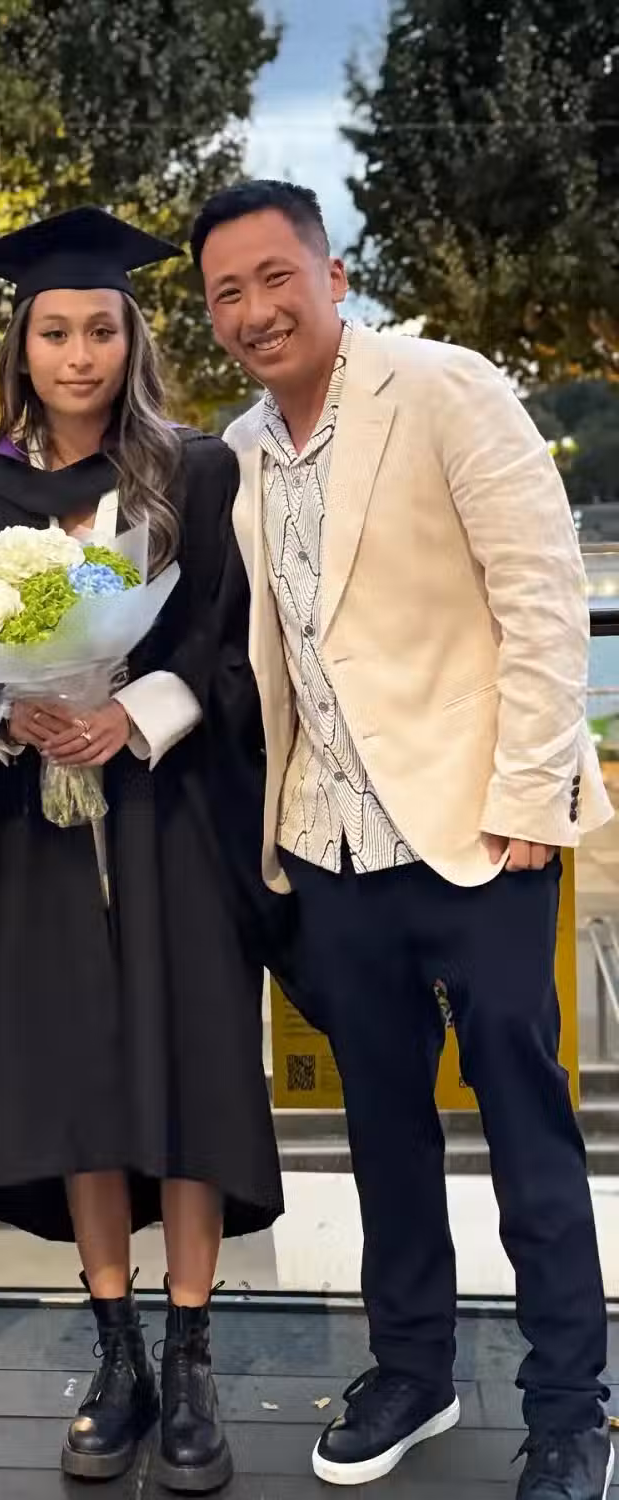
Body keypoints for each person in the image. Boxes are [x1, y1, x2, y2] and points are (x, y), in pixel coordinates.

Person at [192, 178, 615, 1500]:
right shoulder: (239, 450)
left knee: (527, 1127)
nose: (255, 311)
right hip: (330, 850)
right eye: (226, 294)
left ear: (333, 276)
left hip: (480, 834)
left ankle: (572, 1408)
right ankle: (415, 1370)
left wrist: (530, 800)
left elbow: (541, 593)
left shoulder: (442, 387)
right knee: (382, 1129)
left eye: (275, 277)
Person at [0, 206, 288, 1494]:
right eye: (55, 332)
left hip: (171, 814)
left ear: (132, 338)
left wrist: (128, 716)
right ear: (21, 346)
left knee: (190, 1068)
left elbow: (228, 645)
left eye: (100, 329)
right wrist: (17, 712)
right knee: (78, 1077)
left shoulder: (192, 473)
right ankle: (117, 1353)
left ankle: (191, 1357)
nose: (79, 355)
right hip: (38, 831)